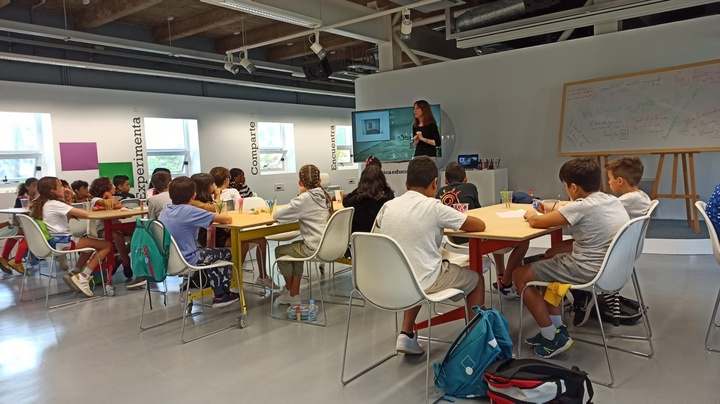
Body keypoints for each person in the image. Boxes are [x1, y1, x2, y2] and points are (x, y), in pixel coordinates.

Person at [516, 157, 629, 358]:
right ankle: (557, 328)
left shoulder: (580, 207)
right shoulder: (609, 199)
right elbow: (569, 208)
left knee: (520, 275)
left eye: (566, 186)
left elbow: (537, 223)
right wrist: (554, 208)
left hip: (586, 268)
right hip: (611, 267)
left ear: (574, 187)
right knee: (547, 260)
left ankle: (550, 335)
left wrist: (530, 216)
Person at [372, 156, 487, 354]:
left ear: (407, 184)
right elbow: (479, 225)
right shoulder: (434, 207)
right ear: (435, 184)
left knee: (414, 267)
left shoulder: (388, 206)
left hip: (390, 282)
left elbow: (375, 237)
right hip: (423, 281)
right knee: (476, 280)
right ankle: (475, 342)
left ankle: (406, 334)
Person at [436, 162, 529, 299]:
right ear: (466, 179)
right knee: (522, 242)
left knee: (498, 238)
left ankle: (501, 274)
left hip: (453, 237)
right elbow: (479, 212)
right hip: (472, 234)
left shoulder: (440, 192)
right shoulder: (470, 187)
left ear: (445, 180)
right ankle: (506, 282)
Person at [159, 176, 239, 308]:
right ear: (193, 195)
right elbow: (227, 219)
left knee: (210, 255)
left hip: (168, 260)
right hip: (188, 258)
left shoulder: (166, 209)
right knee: (224, 254)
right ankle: (222, 295)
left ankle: (219, 292)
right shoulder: (189, 211)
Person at [30, 177, 112, 296]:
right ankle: (84, 276)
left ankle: (74, 273)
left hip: (54, 241)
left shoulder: (44, 203)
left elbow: (66, 210)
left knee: (89, 247)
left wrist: (68, 197)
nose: (64, 188)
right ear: (53, 190)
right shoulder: (55, 204)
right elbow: (85, 214)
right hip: (63, 242)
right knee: (106, 245)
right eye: (60, 186)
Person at [273, 164, 334, 306]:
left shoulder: (304, 199)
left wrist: (300, 194)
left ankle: (289, 291)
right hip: (328, 245)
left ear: (300, 182)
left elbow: (278, 215)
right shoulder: (325, 196)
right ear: (319, 180)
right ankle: (294, 293)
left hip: (314, 247)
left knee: (279, 251)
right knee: (296, 251)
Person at [127, 171, 173, 290]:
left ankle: (143, 275)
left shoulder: (153, 200)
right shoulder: (178, 196)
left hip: (162, 239)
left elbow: (152, 222)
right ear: (170, 183)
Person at [88, 177, 130, 279]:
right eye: (111, 185)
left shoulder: (111, 197)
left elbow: (118, 205)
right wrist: (110, 198)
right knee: (117, 235)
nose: (114, 187)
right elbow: (115, 204)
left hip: (116, 226)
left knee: (139, 232)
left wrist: (109, 200)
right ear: (105, 188)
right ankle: (126, 263)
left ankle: (119, 258)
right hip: (101, 230)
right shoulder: (95, 199)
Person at [342, 165, 394, 234]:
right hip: (382, 238)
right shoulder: (389, 195)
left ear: (362, 181)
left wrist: (359, 189)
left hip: (360, 240)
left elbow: (345, 202)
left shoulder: (358, 198)